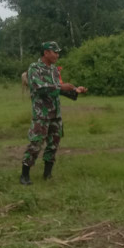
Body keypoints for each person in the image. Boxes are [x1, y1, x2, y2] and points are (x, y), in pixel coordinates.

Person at [20, 41, 87, 185]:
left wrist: (75, 91)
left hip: (55, 114)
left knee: (53, 144)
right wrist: (61, 87)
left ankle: (47, 174)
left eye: (58, 53)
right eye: (55, 52)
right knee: (36, 144)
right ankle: (24, 175)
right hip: (41, 115)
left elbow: (58, 91)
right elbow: (40, 88)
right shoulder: (34, 68)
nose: (57, 55)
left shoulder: (55, 70)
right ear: (46, 53)